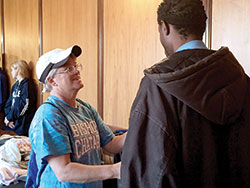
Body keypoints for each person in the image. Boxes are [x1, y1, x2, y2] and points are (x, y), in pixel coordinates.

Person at [121, 0, 250, 187]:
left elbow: (148, 173)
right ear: (202, 27)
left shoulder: (158, 87)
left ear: (164, 27)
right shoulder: (242, 81)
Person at [25, 45, 127, 188]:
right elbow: (64, 171)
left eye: (75, 65)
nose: (76, 71)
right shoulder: (48, 115)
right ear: (51, 81)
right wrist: (114, 170)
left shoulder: (86, 109)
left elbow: (111, 145)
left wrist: (140, 127)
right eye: (68, 69)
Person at [4, 60, 37, 136]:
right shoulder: (15, 85)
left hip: (22, 125)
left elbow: (24, 106)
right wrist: (7, 118)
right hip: (11, 123)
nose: (11, 72)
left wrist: (10, 117)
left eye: (12, 70)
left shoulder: (27, 85)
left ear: (18, 69)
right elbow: (8, 103)